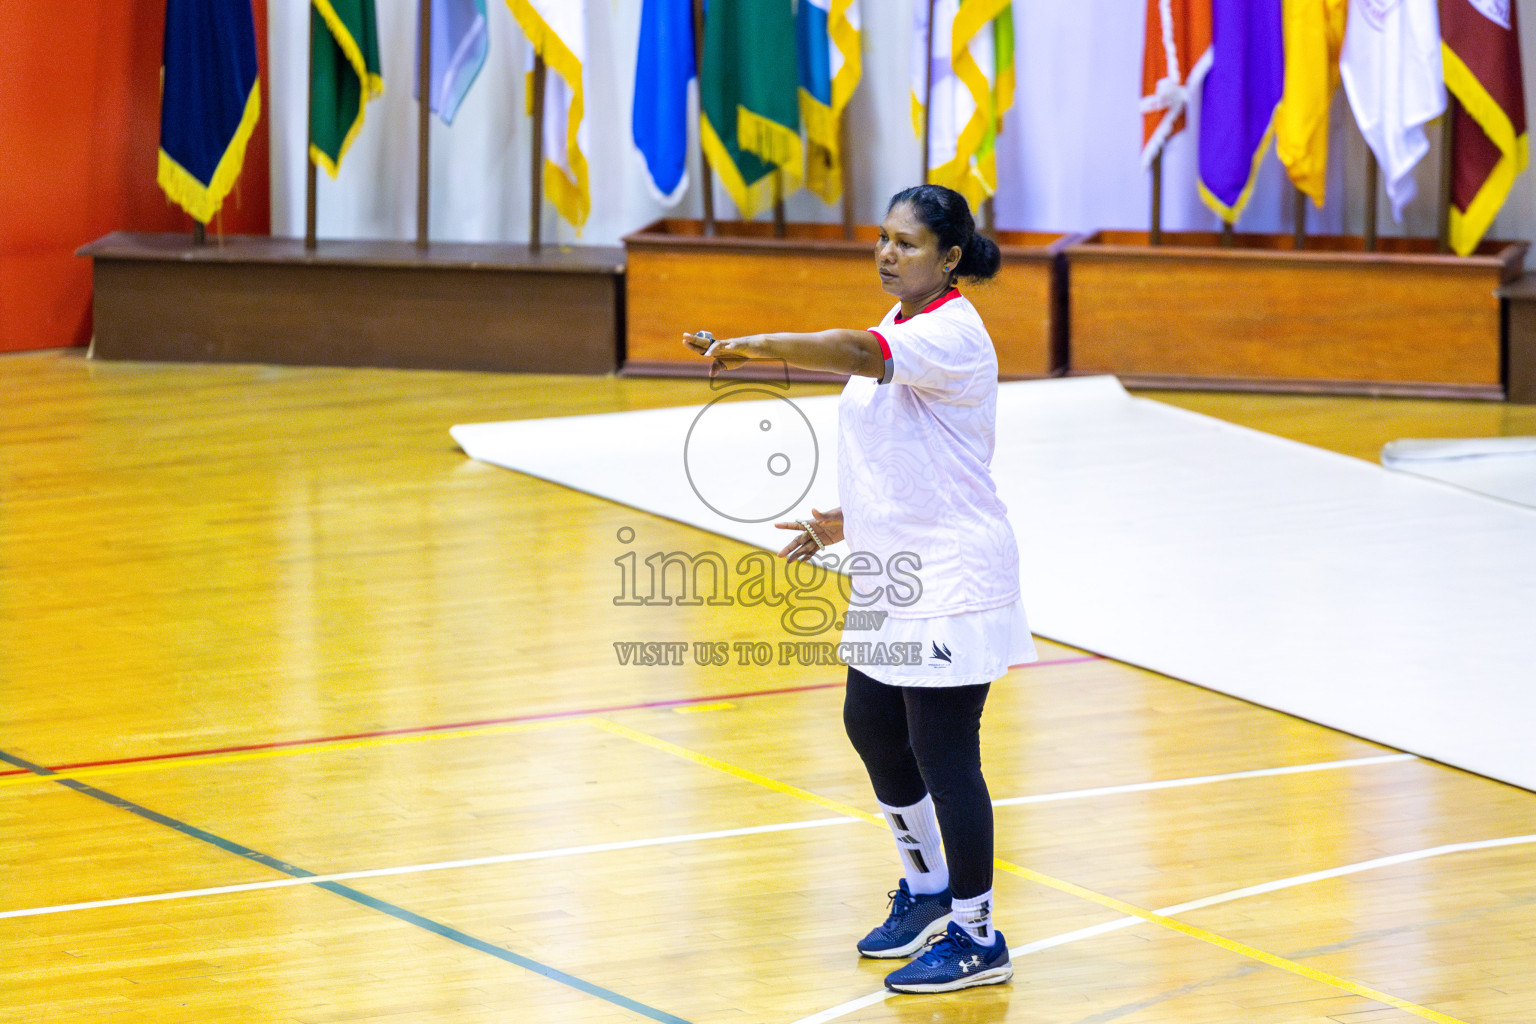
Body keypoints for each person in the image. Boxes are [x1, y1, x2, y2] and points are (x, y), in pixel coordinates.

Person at [683, 184, 1036, 995]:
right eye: (882, 238)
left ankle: (980, 937)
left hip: (951, 573)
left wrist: (753, 345)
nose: (886, 253)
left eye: (906, 243)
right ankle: (926, 890)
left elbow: (854, 353)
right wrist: (850, 519)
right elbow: (910, 442)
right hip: (892, 567)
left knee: (946, 754)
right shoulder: (905, 322)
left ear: (950, 258)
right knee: (872, 724)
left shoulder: (951, 332)